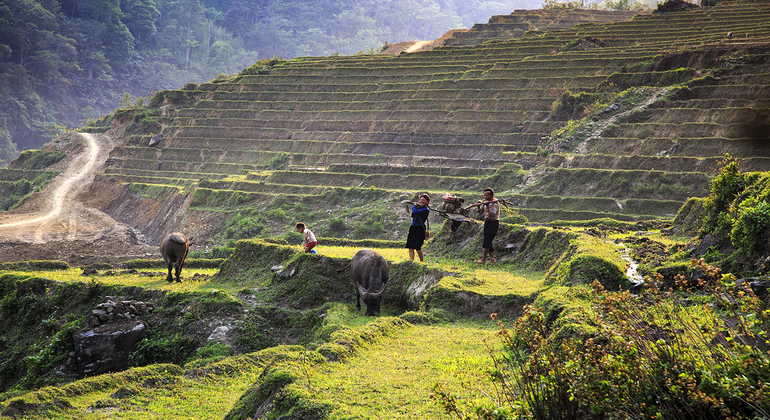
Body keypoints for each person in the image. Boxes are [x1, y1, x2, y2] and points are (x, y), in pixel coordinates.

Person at [471, 188, 499, 264]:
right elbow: (480, 212)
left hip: (494, 223)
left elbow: (493, 214)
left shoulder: (495, 203)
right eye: (484, 195)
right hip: (487, 222)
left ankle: (483, 259)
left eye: (487, 195)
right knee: (488, 241)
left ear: (491, 195)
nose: (485, 197)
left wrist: (488, 206)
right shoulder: (485, 202)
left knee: (486, 241)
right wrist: (478, 206)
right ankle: (492, 259)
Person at [405, 194, 430, 262]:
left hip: (420, 228)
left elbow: (414, 212)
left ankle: (421, 261)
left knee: (418, 247)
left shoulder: (426, 210)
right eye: (421, 200)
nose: (421, 201)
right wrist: (416, 207)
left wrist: (414, 206)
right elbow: (413, 215)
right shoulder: (420, 208)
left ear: (427, 202)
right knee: (410, 246)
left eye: (423, 200)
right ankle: (411, 261)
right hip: (413, 227)